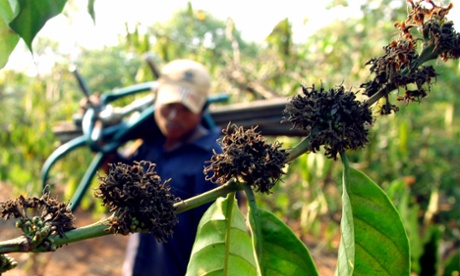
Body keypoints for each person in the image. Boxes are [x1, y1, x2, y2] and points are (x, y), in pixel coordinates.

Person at [118, 59, 222, 275]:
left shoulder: (212, 159)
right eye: (169, 106)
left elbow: (215, 237)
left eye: (185, 109)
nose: (174, 116)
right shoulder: (149, 144)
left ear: (201, 109)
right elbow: (122, 183)